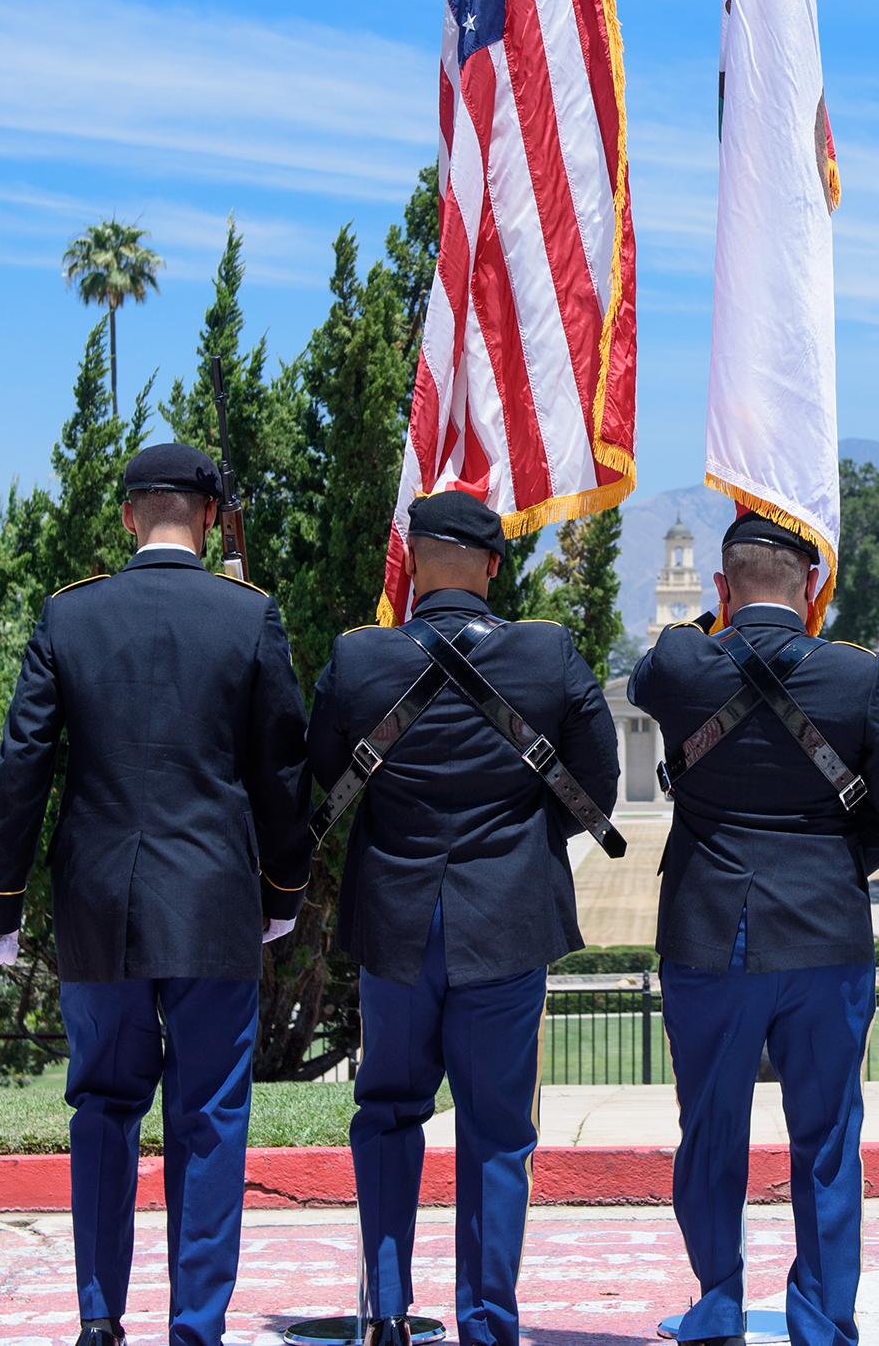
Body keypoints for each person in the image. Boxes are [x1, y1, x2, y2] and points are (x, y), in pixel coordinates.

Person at [0, 441, 310, 1346]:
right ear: (205, 518)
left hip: (98, 911)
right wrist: (284, 888)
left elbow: (19, 772)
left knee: (104, 1110)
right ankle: (195, 1329)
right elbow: (282, 772)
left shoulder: (70, 617)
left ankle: (97, 1317)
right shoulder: (250, 617)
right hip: (212, 908)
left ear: (129, 517)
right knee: (208, 1121)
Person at [304, 488, 619, 1346]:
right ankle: (487, 1322)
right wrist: (519, 842)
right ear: (491, 566)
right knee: (497, 1130)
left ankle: (387, 1312)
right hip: (506, 920)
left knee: (388, 1110)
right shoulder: (546, 655)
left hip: (396, 920)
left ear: (410, 565)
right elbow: (597, 788)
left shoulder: (359, 659)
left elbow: (319, 793)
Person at [628, 513, 879, 1346]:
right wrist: (830, 870)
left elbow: (653, 671)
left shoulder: (685, 661)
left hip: (708, 931)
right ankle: (824, 1320)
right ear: (813, 591)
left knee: (709, 1128)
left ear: (720, 590)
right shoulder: (854, 675)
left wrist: (706, 623)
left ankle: (717, 1303)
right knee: (827, 1138)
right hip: (825, 935)